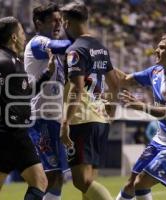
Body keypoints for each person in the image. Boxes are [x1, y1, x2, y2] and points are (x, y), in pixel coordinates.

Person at [0, 16, 56, 200]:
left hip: (7, 134)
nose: (24, 36)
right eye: (21, 32)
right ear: (13, 37)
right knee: (40, 182)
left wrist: (46, 74)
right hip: (13, 132)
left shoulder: (15, 62)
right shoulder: (1, 62)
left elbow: (25, 93)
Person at [116, 32, 166, 200]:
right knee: (130, 184)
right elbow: (124, 80)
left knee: (140, 184)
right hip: (160, 140)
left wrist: (142, 106)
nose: (156, 50)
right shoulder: (156, 71)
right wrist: (102, 64)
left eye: (162, 48)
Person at [60, 2, 119, 200]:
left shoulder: (75, 50)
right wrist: (112, 106)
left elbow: (77, 88)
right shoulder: (101, 48)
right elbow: (115, 83)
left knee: (81, 181)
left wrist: (65, 122)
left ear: (66, 23)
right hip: (100, 120)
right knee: (89, 181)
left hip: (82, 120)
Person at [24, 3, 71, 200]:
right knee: (49, 176)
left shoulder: (57, 55)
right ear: (38, 23)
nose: (59, 24)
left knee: (57, 176)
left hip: (54, 119)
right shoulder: (37, 43)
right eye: (54, 20)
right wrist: (82, 39)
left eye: (60, 20)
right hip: (39, 118)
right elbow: (61, 46)